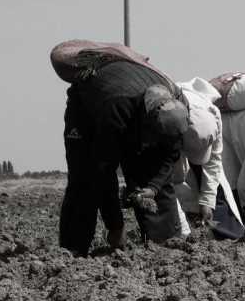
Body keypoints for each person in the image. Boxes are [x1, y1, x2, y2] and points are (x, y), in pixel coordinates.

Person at [59, 59, 188, 256]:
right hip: (88, 111)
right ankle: (73, 250)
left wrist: (152, 188)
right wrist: (116, 226)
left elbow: (170, 156)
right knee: (85, 179)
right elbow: (103, 170)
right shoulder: (116, 109)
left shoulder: (179, 106)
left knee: (154, 178)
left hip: (130, 108)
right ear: (147, 121)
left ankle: (166, 248)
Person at [172, 77, 224, 225]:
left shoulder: (214, 114)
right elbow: (174, 178)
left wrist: (207, 201)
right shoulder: (170, 119)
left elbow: (214, 159)